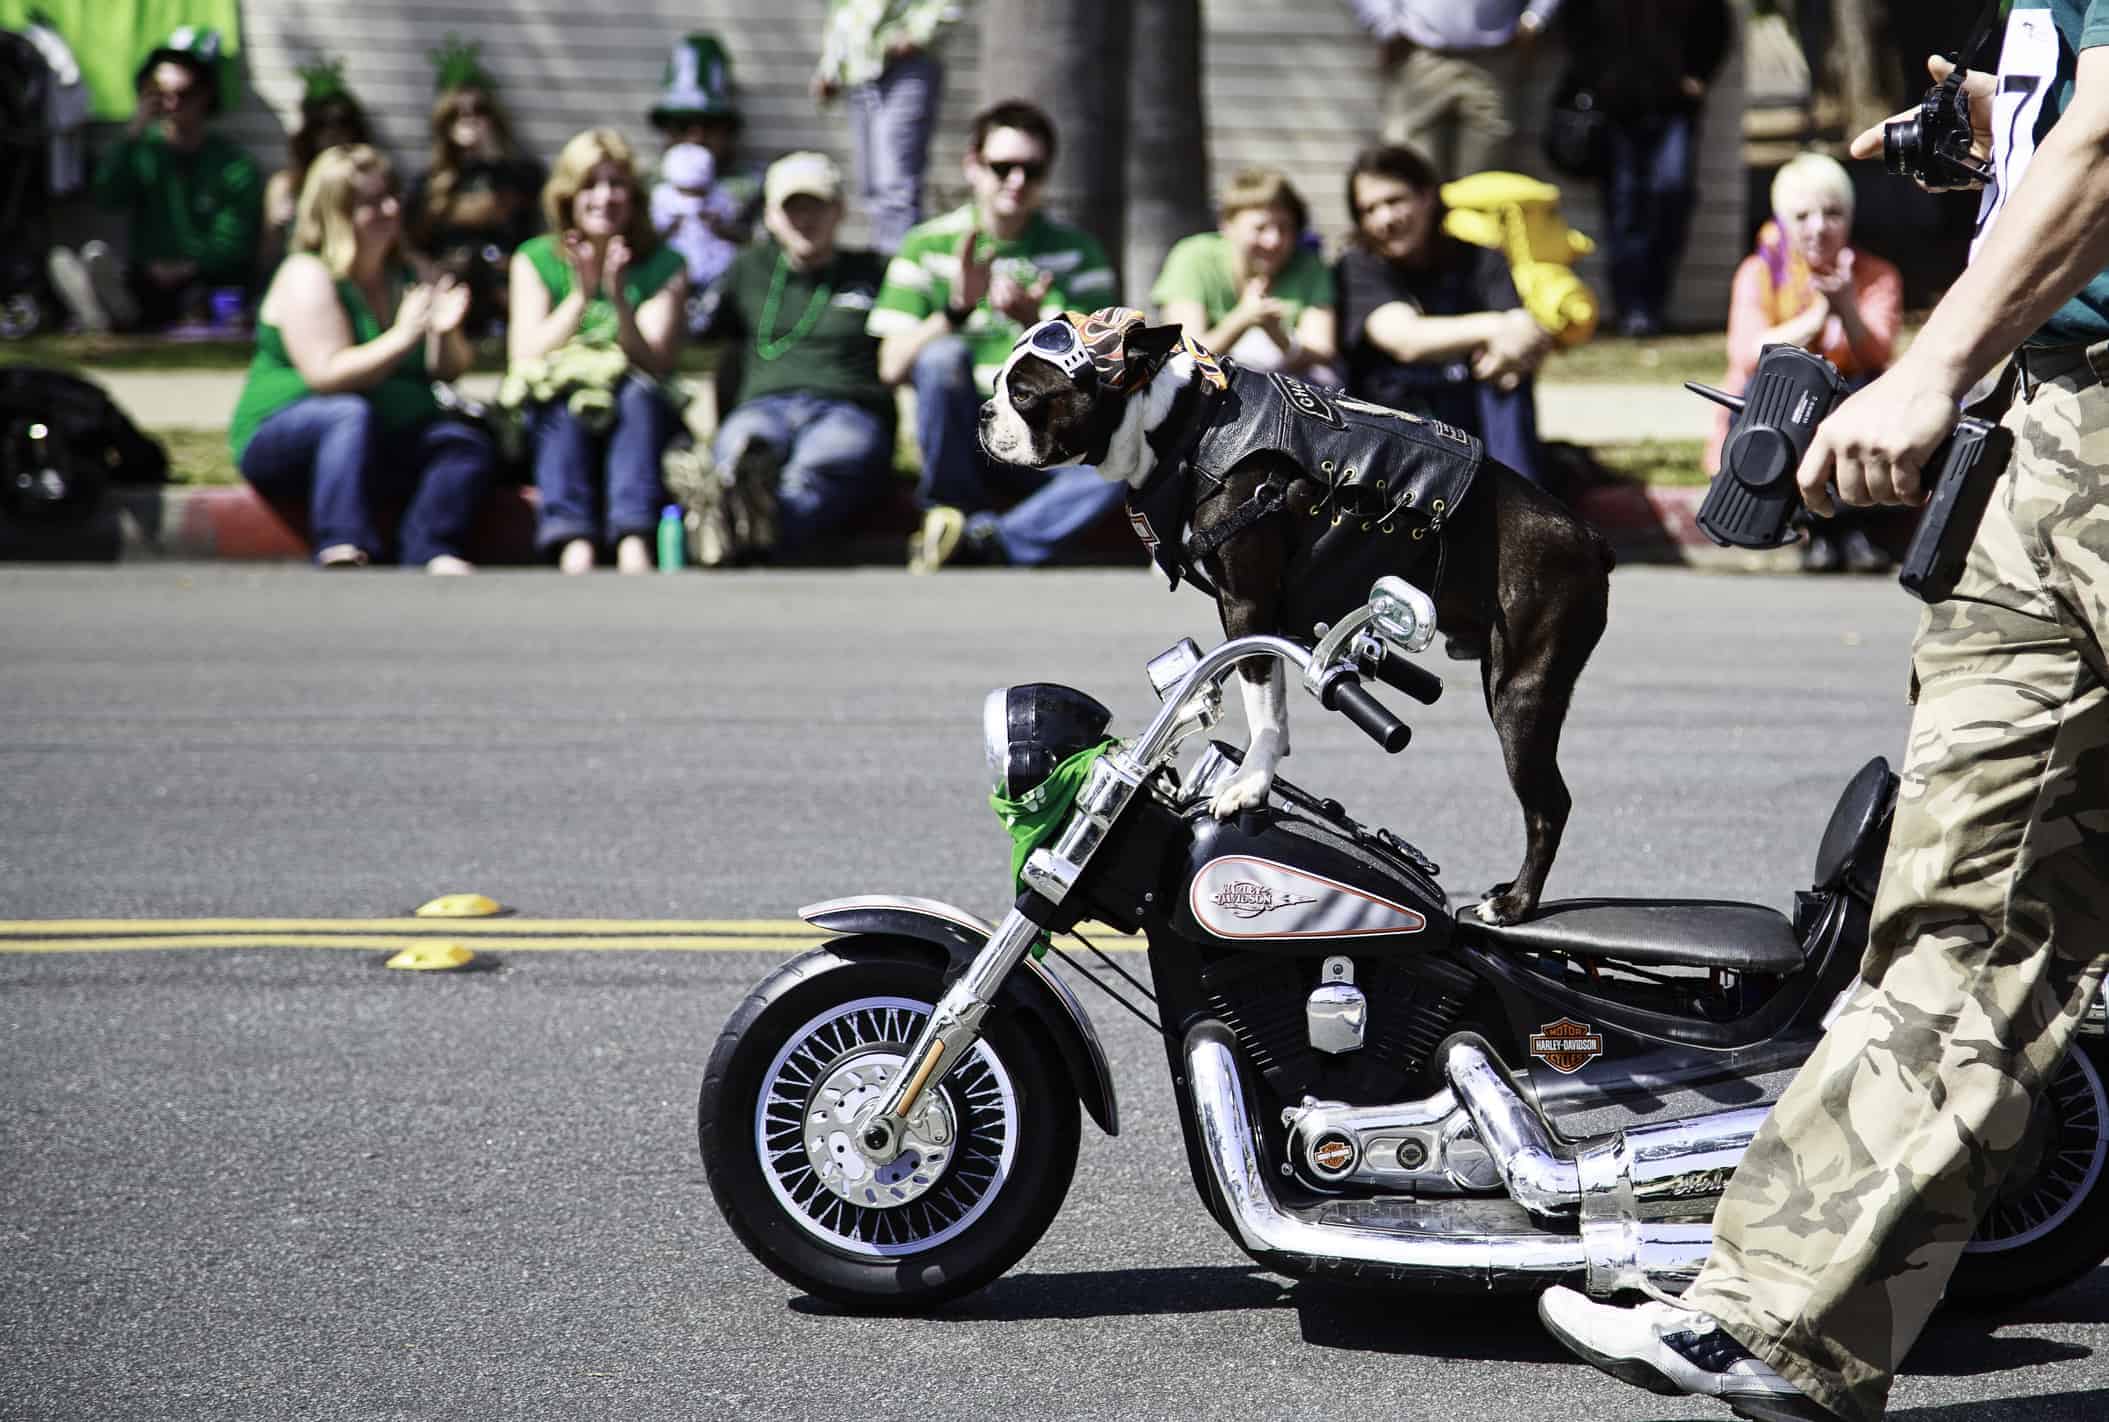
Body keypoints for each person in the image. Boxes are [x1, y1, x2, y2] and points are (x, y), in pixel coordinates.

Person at [1538, 11, 2109, 1421]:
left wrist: (1927, 368)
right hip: (2049, 430)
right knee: (1964, 897)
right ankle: (1777, 1317)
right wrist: (1999, 129)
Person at [867, 99, 1119, 571]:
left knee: (1118, 465)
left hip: (1044, 436)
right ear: (972, 166)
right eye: (1002, 167)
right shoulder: (927, 244)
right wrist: (957, 309)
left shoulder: (1078, 252)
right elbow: (891, 366)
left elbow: (1100, 374)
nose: (1017, 181)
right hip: (968, 432)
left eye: (1032, 169)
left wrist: (1035, 328)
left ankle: (987, 540)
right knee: (941, 358)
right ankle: (951, 511)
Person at [227, 145, 492, 572]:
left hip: (380, 433)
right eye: (372, 202)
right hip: (286, 434)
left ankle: (431, 548)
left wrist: (443, 334)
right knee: (347, 414)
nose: (389, 209)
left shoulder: (409, 272)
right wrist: (403, 335)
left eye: (391, 196)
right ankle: (342, 542)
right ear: (336, 212)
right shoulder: (307, 274)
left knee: (461, 444)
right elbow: (327, 374)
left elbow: (446, 371)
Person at [1712, 152, 1905, 573]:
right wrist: (1818, 315)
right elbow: (1749, 354)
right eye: (1802, 216)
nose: (1819, 228)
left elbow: (1877, 354)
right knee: (1783, 403)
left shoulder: (1877, 275)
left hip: (1847, 397)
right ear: (1783, 222)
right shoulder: (1758, 273)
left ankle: (1854, 529)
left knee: (1863, 394)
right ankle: (1815, 532)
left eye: (1833, 213)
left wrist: (1847, 308)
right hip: (1780, 406)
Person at [697, 152, 896, 560]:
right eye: (792, 208)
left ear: (840, 211)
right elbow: (702, 343)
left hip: (846, 407)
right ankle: (744, 504)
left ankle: (740, 526)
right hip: (765, 405)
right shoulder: (746, 270)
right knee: (742, 450)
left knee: (816, 469)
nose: (805, 219)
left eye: (816, 206)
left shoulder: (874, 271)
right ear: (770, 216)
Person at [507, 129, 687, 575]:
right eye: (590, 185)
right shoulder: (534, 259)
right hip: (558, 406)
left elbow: (655, 361)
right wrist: (581, 297)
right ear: (567, 195)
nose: (604, 198)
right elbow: (525, 355)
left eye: (616, 184)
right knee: (563, 399)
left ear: (634, 196)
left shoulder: (665, 263)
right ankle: (573, 541)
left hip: (637, 406)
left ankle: (632, 538)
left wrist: (619, 298)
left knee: (637, 395)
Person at [1333, 144, 1550, 486]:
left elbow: (1525, 336)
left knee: (1507, 379)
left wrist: (1511, 349)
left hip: (1470, 415)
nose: (1384, 219)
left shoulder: (1481, 260)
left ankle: (1517, 503)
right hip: (1395, 428)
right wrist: (1496, 327)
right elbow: (1405, 339)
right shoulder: (1359, 267)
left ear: (1427, 196)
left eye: (1394, 201)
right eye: (1369, 209)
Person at [47, 26, 262, 333]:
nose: (171, 105)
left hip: (204, 277)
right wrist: (132, 134)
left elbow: (234, 242)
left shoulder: (232, 165)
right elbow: (107, 197)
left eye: (183, 95)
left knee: (199, 296)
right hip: (147, 275)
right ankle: (105, 309)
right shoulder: (143, 150)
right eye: (160, 95)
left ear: (206, 96)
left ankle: (108, 315)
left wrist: (187, 266)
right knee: (119, 276)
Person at [1558, 0, 1732, 336]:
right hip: (1615, 111)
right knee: (1624, 209)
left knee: (1671, 195)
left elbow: (1717, 26)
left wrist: (1698, 75)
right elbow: (1574, 28)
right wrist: (1597, 81)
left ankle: (1653, 302)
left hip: (1674, 109)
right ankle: (1631, 308)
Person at [407, 38, 545, 338]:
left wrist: (492, 156)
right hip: (451, 282)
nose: (470, 120)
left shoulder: (520, 174)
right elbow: (411, 243)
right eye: (459, 113)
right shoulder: (431, 182)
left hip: (504, 282)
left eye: (479, 111)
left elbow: (534, 225)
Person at [1151, 166, 1339, 380]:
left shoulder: (1308, 265)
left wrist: (1277, 335)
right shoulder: (1192, 256)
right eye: (1260, 228)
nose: (1273, 241)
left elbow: (1322, 352)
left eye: (1284, 228)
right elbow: (1186, 354)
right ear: (1227, 226)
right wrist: (1243, 318)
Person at [1346, 0, 1562, 182]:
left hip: (1496, 58)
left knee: (1483, 188)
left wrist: (1536, 18)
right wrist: (1384, 24)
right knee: (1408, 178)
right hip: (1418, 53)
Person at [811, 0, 962, 254]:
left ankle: (900, 275)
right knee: (871, 188)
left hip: (906, 63)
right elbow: (842, 9)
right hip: (859, 68)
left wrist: (918, 33)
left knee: (896, 187)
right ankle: (887, 263)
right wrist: (830, 66)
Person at [649, 34, 762, 244]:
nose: (696, 137)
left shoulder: (753, 191)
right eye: (683, 125)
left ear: (728, 131)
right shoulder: (643, 190)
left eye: (709, 125)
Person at [262, 58, 373, 272]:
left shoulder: (367, 184)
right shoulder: (286, 185)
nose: (333, 136)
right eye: (322, 126)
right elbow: (265, 262)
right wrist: (275, 228)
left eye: (342, 125)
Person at [650, 142, 742, 326]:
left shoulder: (721, 196)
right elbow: (654, 237)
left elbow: (738, 235)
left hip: (715, 271)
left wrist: (716, 224)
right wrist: (673, 223)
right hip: (675, 271)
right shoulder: (661, 197)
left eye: (699, 192)